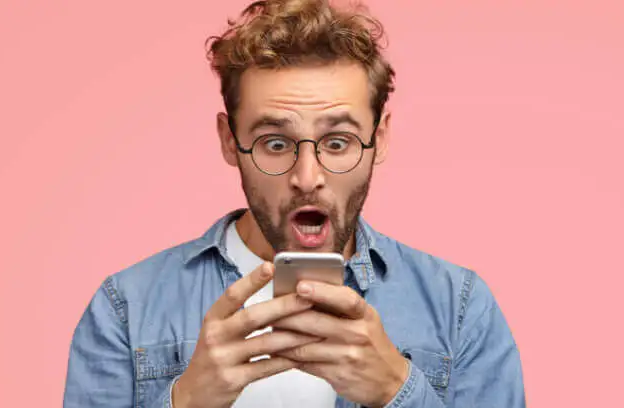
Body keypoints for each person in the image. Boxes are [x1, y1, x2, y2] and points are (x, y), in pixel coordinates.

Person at [63, 0, 525, 407]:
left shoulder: (459, 307)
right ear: (229, 141)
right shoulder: (125, 306)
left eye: (338, 142)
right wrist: (186, 403)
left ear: (378, 139)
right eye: (276, 144)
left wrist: (397, 391)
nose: (308, 178)